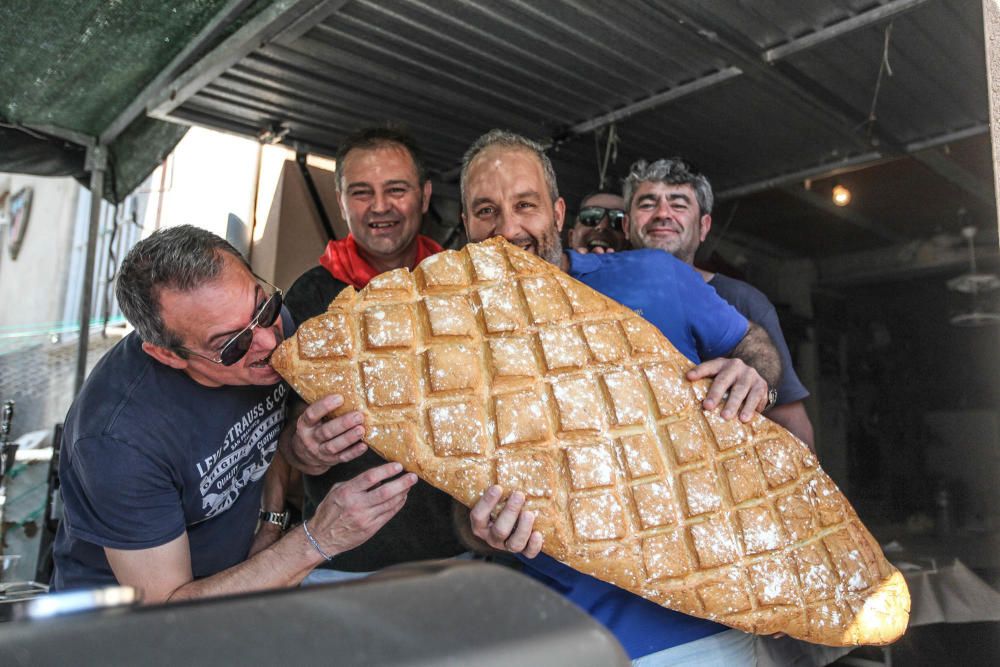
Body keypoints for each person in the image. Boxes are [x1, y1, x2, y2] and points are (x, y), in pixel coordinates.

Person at [459, 129, 781, 665]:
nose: (508, 229)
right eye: (486, 210)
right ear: (467, 224)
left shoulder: (655, 275)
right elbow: (462, 506)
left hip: (700, 632)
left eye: (525, 205)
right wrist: (482, 530)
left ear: (558, 212)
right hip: (556, 639)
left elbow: (755, 343)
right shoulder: (458, 342)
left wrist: (755, 378)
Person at [51, 225, 416, 602]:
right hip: (126, 634)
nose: (269, 342)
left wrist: (295, 455)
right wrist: (318, 538)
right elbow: (167, 610)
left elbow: (262, 439)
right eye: (232, 344)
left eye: (265, 308)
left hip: (240, 584)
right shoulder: (118, 442)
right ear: (169, 355)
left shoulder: (265, 327)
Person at [282, 127, 466, 583]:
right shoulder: (309, 298)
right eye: (361, 193)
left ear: (424, 196)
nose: (380, 207)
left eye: (396, 190)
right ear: (341, 201)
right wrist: (304, 449)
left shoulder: (459, 287)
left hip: (459, 556)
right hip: (345, 563)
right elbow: (280, 438)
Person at [621, 157, 814, 448]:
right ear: (626, 225)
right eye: (647, 204)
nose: (662, 213)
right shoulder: (602, 298)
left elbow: (789, 417)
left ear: (703, 226)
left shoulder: (744, 302)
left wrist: (761, 391)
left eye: (679, 204)